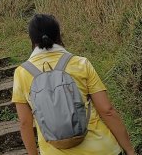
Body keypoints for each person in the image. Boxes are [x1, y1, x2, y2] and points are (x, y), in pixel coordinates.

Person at [12, 14, 135, 155]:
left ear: (32, 40)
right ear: (58, 34)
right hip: (101, 148)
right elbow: (107, 110)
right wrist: (130, 150)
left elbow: (25, 123)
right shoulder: (80, 63)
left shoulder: (21, 73)